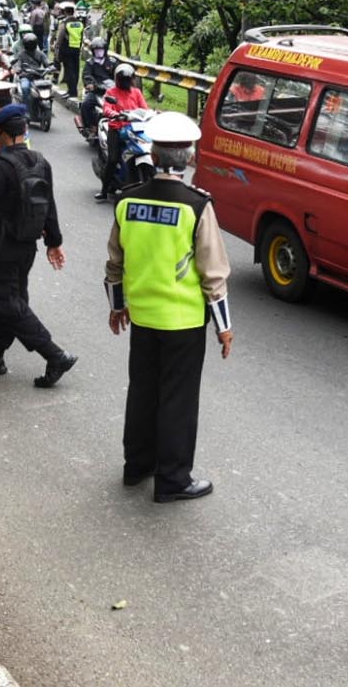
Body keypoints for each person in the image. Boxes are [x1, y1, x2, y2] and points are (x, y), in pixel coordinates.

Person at [105, 111, 233, 503]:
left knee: (142, 391)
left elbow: (115, 263)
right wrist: (224, 327)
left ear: (154, 155)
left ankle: (136, 466)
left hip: (142, 317)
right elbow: (213, 273)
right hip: (182, 321)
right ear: (189, 157)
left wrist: (118, 306)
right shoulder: (196, 206)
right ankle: (173, 479)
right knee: (177, 400)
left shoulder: (127, 202)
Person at [0, 104, 77, 388]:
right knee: (12, 300)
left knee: (2, 301)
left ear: (1, 133)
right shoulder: (41, 162)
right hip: (27, 247)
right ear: (24, 132)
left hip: (1, 246)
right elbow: (50, 206)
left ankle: (55, 355)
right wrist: (54, 242)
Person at [96, 63, 149, 202]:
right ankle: (104, 190)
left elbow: (144, 108)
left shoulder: (136, 92)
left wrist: (150, 114)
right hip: (117, 129)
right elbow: (107, 107)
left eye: (129, 79)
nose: (127, 82)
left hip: (134, 129)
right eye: (124, 80)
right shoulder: (111, 93)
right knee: (113, 159)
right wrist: (113, 113)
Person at [79, 37, 114, 133]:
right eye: (97, 50)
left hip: (111, 91)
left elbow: (118, 75)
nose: (99, 52)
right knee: (86, 104)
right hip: (97, 91)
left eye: (101, 50)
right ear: (93, 51)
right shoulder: (90, 63)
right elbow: (87, 76)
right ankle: (91, 126)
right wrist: (92, 85)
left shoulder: (112, 62)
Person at [53, 0, 85, 98]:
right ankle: (73, 89)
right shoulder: (80, 23)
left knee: (69, 71)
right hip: (76, 50)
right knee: (76, 71)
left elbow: (60, 38)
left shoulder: (65, 23)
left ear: (66, 12)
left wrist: (56, 49)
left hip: (66, 50)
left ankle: (71, 92)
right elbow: (82, 36)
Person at [13, 33, 51, 103]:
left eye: (32, 43)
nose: (30, 45)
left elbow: (47, 62)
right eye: (29, 44)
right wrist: (18, 69)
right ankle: (25, 108)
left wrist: (50, 67)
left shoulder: (40, 53)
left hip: (39, 77)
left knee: (48, 87)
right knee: (25, 88)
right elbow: (17, 64)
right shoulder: (21, 54)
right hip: (26, 77)